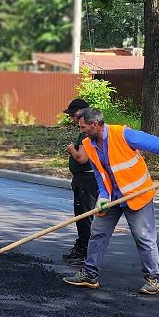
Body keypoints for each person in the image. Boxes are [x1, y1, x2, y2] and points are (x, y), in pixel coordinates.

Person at [63, 106, 159, 295]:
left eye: (82, 127)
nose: (81, 131)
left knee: (144, 237)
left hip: (137, 194)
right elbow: (99, 174)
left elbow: (158, 144)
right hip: (112, 197)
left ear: (94, 124)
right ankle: (89, 274)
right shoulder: (89, 144)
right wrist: (103, 196)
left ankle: (153, 278)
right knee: (98, 233)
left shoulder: (123, 134)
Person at [60, 97, 98, 266]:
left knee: (84, 217)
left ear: (83, 112)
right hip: (86, 180)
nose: (72, 119)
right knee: (83, 216)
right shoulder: (86, 132)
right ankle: (83, 248)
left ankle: (84, 252)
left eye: (73, 115)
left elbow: (82, 158)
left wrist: (71, 150)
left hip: (86, 181)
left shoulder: (85, 134)